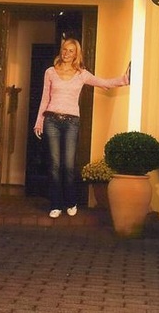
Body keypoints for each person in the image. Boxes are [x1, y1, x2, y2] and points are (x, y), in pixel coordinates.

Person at [33, 37, 129, 219]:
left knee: (68, 165)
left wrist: (125, 79)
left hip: (71, 123)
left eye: (71, 51)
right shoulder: (50, 72)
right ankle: (55, 205)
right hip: (51, 120)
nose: (66, 53)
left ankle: (71, 202)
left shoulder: (81, 74)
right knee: (54, 164)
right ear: (61, 50)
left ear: (76, 54)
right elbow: (45, 98)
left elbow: (103, 83)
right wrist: (39, 121)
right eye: (64, 49)